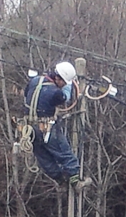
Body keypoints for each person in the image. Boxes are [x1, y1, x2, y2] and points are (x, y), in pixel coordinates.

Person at [22, 61, 92, 189]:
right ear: (58, 78)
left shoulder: (34, 81)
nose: (64, 85)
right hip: (46, 127)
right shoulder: (56, 92)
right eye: (64, 83)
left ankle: (61, 180)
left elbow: (27, 94)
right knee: (64, 152)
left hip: (29, 129)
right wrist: (67, 89)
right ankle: (76, 181)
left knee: (44, 157)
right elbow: (65, 98)